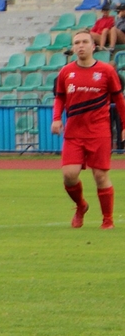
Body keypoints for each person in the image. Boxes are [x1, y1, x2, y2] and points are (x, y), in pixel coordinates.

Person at [53, 30, 125, 230]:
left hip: (99, 132)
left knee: (100, 176)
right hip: (74, 133)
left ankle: (107, 220)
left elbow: (119, 100)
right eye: (77, 42)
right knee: (69, 175)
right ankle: (81, 205)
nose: (81, 45)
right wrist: (57, 119)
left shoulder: (106, 71)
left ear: (94, 46)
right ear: (73, 47)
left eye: (85, 42)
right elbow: (60, 97)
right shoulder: (66, 72)